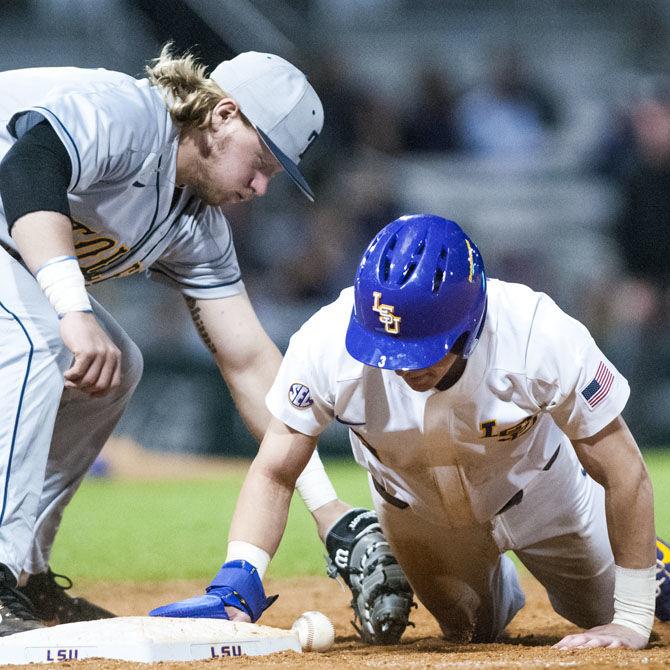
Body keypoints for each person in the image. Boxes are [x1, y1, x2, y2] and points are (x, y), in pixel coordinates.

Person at [0, 45, 391, 636]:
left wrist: (327, 509)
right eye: (262, 160)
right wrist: (73, 309)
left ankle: (25, 578)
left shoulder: (194, 225)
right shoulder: (132, 114)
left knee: (115, 372)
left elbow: (251, 363)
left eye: (274, 174)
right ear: (223, 114)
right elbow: (28, 167)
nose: (262, 186)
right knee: (42, 342)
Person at [152, 214, 670, 649]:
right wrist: (238, 581)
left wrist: (629, 617)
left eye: (422, 348)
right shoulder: (325, 342)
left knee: (612, 611)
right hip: (417, 512)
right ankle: (485, 581)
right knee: (469, 633)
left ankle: (656, 562)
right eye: (386, 345)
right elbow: (274, 468)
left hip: (543, 494)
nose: (401, 365)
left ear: (471, 324)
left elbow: (625, 472)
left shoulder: (538, 335)